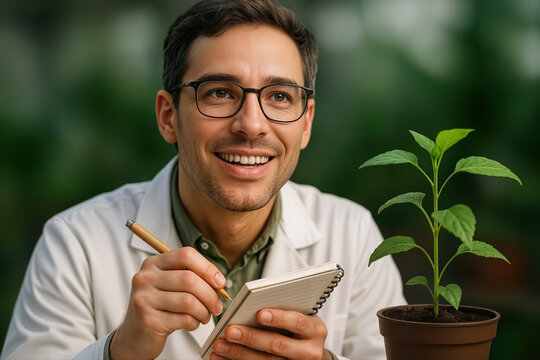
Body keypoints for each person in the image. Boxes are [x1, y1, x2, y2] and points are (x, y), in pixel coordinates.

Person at [1, 0, 405, 359]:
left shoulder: (353, 234)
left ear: (306, 123)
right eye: (219, 93)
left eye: (279, 96)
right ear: (168, 116)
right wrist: (120, 351)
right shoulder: (75, 244)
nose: (251, 125)